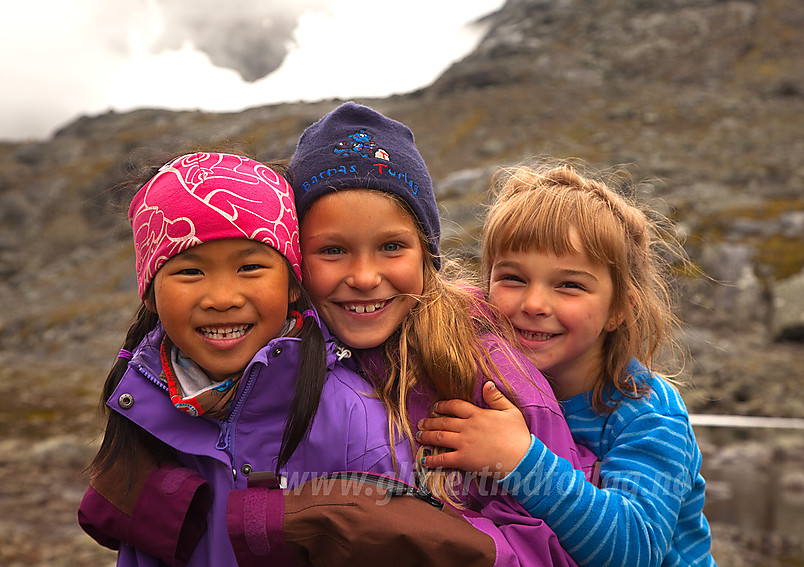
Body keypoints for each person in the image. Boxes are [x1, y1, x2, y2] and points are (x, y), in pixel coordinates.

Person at [261, 102, 595, 566]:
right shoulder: (270, 358)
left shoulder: (491, 372)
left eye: (391, 247)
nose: (363, 277)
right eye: (333, 250)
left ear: (427, 254)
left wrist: (425, 540)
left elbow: (553, 544)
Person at [77, 151, 411, 566]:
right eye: (189, 272)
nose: (222, 299)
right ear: (149, 292)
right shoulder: (142, 408)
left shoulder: (356, 425)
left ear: (293, 284)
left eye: (250, 267)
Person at [416, 162, 717, 566]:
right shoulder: (490, 387)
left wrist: (518, 459)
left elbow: (636, 548)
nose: (534, 304)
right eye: (513, 278)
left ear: (618, 310)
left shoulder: (646, 411)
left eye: (569, 285)